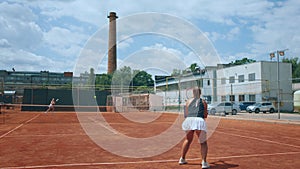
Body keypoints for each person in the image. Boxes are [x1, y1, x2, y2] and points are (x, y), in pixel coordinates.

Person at [179, 87, 209, 168]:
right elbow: (205, 114)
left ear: (193, 93)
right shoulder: (203, 102)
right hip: (199, 120)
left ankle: (182, 159)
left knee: (188, 140)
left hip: (189, 120)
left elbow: (185, 114)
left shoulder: (188, 102)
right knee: (203, 142)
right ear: (200, 93)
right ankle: (204, 162)